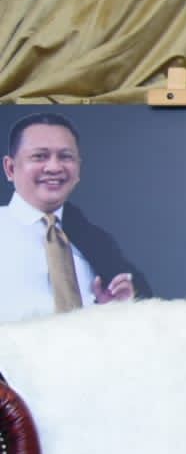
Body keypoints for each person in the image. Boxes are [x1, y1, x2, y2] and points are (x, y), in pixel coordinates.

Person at [1, 112, 145, 323]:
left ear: (78, 169)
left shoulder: (97, 243)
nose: (54, 167)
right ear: (10, 168)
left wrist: (112, 311)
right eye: (39, 156)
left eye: (65, 157)